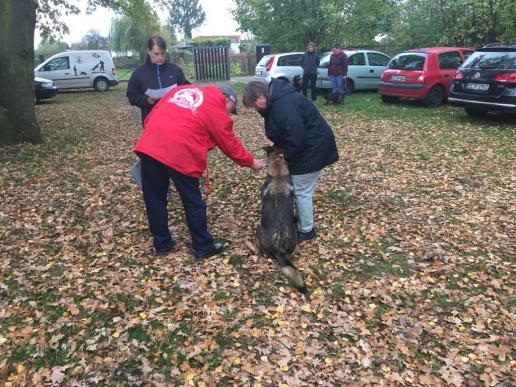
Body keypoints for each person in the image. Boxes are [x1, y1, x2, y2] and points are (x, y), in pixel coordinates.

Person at [134, 84, 265, 258]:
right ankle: (203, 246)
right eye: (230, 110)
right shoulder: (215, 104)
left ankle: (162, 244)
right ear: (226, 99)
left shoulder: (181, 90)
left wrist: (158, 136)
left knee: (155, 199)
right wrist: (251, 162)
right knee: (192, 201)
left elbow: (150, 116)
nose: (227, 115)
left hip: (150, 145)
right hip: (181, 151)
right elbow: (228, 142)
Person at [243, 79, 339, 242]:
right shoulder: (277, 101)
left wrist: (287, 155)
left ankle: (306, 230)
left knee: (302, 190)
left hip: (314, 148)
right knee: (298, 186)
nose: (255, 108)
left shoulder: (283, 104)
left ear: (261, 95)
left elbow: (296, 135)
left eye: (254, 103)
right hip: (308, 147)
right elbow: (284, 130)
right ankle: (297, 219)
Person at [127, 36, 190, 125]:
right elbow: (132, 96)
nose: (160, 57)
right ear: (149, 51)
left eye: (163, 54)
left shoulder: (175, 70)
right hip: (151, 122)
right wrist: (148, 100)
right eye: (156, 54)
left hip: (176, 120)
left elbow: (187, 88)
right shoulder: (138, 74)